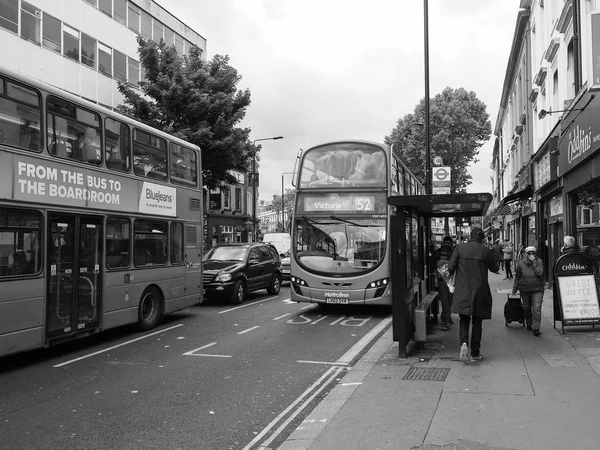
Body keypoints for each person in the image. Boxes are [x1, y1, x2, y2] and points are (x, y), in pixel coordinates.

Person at [448, 227, 499, 362]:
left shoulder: (460, 248)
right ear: (482, 238)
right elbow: (495, 268)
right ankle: (475, 353)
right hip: (480, 291)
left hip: (463, 290)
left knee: (464, 321)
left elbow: (450, 268)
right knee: (477, 323)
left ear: (470, 236)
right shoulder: (486, 251)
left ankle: (463, 343)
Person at [512, 245, 545, 336]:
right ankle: (529, 322)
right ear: (526, 254)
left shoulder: (539, 261)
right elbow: (517, 277)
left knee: (536, 308)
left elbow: (539, 273)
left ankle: (536, 328)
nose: (531, 255)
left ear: (535, 254)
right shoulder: (520, 263)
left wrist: (534, 262)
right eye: (529, 253)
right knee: (526, 307)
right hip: (525, 289)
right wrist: (515, 288)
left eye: (533, 253)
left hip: (538, 289)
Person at [432, 236, 455, 327]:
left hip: (441, 279)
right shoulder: (453, 252)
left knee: (444, 299)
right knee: (449, 299)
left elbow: (432, 263)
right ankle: (447, 318)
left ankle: (445, 316)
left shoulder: (437, 252)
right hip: (451, 280)